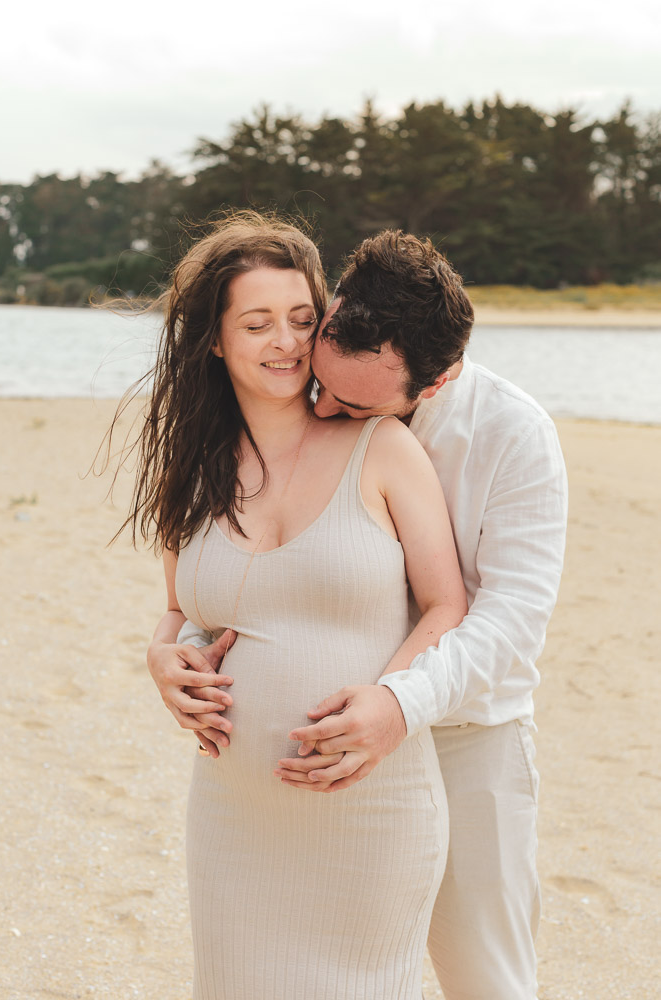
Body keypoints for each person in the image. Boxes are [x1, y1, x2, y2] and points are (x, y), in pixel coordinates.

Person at [173, 229, 568, 1000]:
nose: (320, 404)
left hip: (466, 739)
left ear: (435, 382)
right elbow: (259, 577)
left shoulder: (514, 438)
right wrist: (176, 642)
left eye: (350, 401)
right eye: (320, 377)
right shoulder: (307, 407)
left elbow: (509, 621)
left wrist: (397, 703)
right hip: (311, 768)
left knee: (485, 976)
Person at [138, 212, 467, 1000]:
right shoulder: (196, 469)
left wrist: (388, 701)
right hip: (233, 815)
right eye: (257, 323)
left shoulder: (382, 448)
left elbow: (445, 605)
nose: (285, 341)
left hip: (367, 803)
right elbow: (177, 610)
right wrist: (160, 656)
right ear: (215, 340)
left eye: (301, 319)